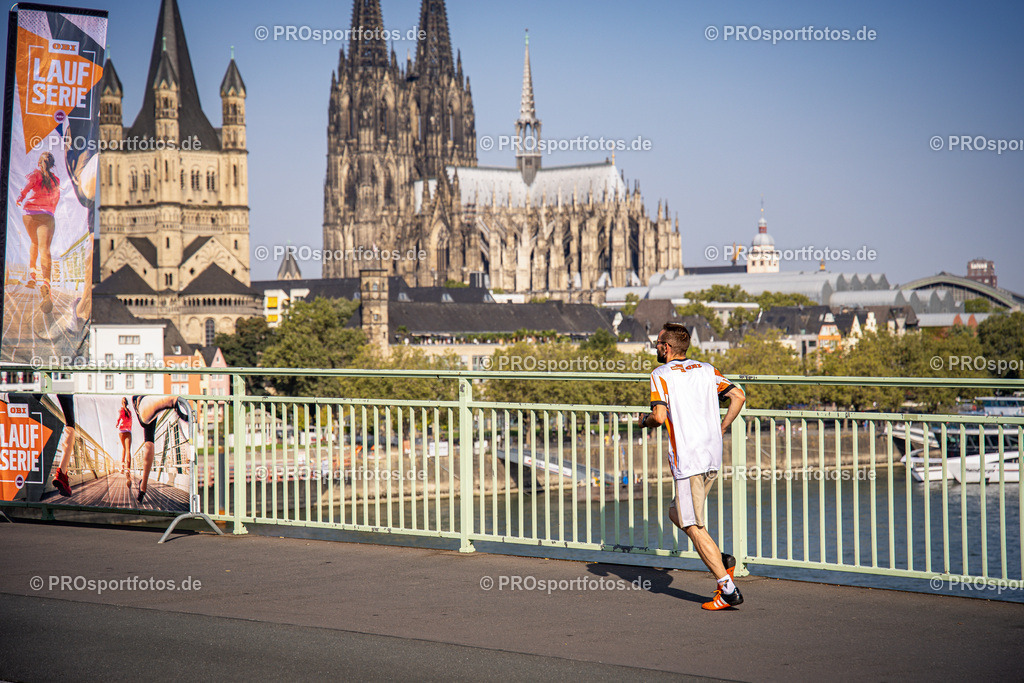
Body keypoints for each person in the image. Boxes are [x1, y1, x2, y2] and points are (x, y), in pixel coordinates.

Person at [637, 322, 746, 611]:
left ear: (666, 347)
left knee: (693, 526)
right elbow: (739, 395)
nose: (656, 347)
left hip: (687, 460)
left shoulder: (660, 374)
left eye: (658, 343)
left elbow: (659, 417)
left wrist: (643, 421)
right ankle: (720, 559)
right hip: (711, 455)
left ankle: (727, 588)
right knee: (676, 512)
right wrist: (723, 427)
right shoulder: (708, 370)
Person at [15, 152, 60, 314]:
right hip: (46, 215)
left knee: (34, 242)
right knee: (44, 248)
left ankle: (32, 273)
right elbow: (56, 198)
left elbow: (25, 189)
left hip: (29, 214)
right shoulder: (56, 180)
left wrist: (19, 199)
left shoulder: (35, 175)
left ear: (39, 163)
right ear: (52, 165)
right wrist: (50, 210)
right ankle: (46, 282)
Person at [131, 395, 192, 503]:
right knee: (149, 439)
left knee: (148, 437)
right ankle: (143, 484)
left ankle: (170, 402)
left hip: (142, 402)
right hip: (147, 403)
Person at [117, 397, 133, 478]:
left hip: (121, 431)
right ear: (127, 403)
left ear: (122, 403)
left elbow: (119, 418)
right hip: (128, 431)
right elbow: (130, 421)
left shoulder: (121, 410)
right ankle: (128, 469)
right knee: (128, 450)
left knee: (124, 448)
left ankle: (122, 467)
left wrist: (117, 424)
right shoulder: (129, 412)